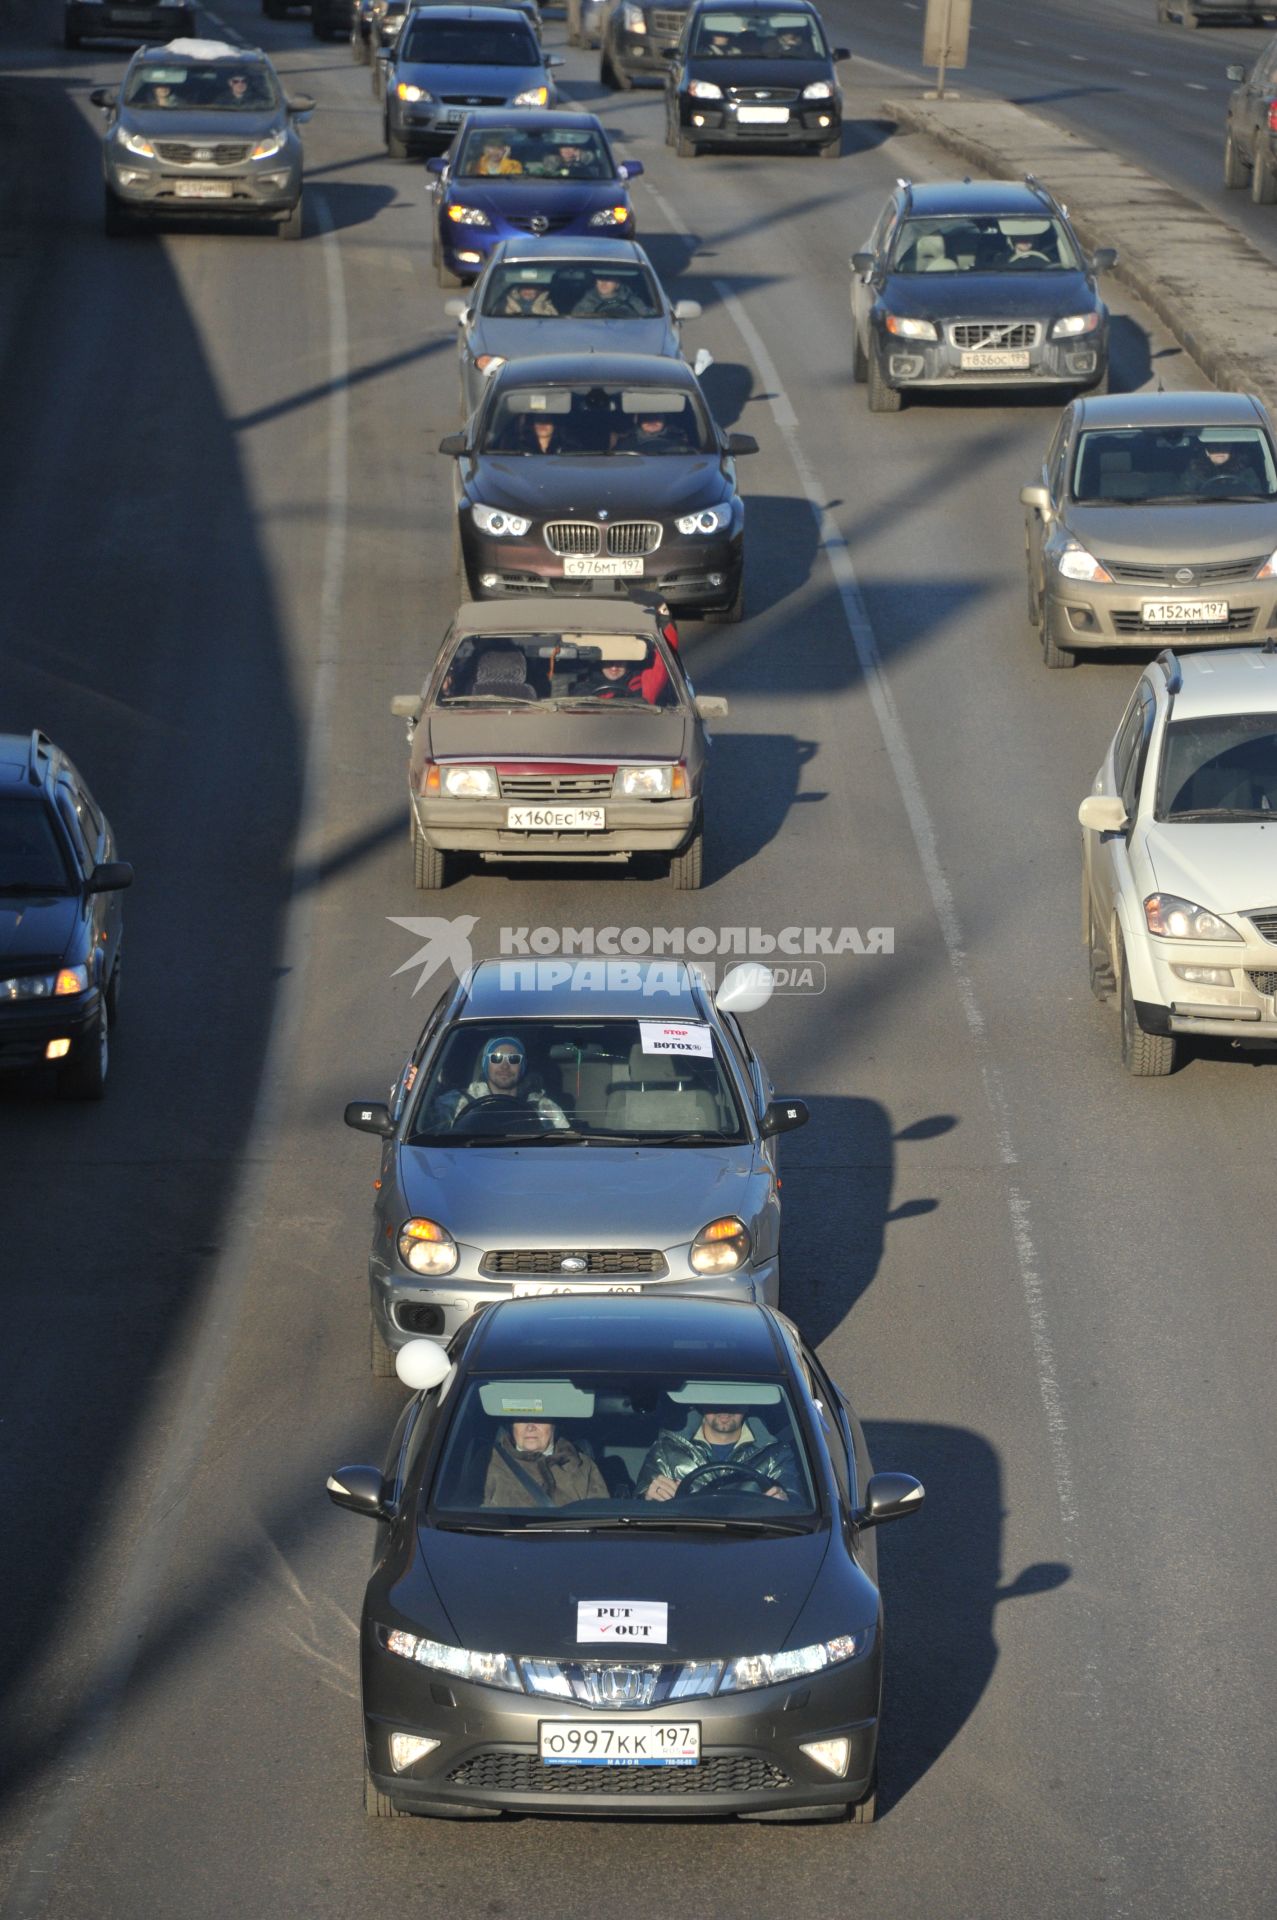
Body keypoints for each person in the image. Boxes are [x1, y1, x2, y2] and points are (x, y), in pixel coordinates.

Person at [637, 1403, 801, 1502]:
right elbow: (637, 1511)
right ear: (701, 1402)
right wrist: (647, 1497)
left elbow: (798, 1507)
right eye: (715, 1400)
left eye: (734, 1400)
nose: (725, 1409)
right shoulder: (666, 1450)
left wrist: (784, 1500)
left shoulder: (775, 1453)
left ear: (747, 1404)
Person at [428, 1033, 570, 1130]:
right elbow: (427, 1134)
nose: (505, 1065)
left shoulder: (543, 1108)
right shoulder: (453, 1103)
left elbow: (563, 1146)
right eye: (496, 1058)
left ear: (522, 1066)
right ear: (485, 1063)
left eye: (513, 1059)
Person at [484, 1419, 608, 1508]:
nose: (530, 1427)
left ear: (553, 1425)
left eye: (539, 1419)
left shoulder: (583, 1466)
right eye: (522, 1419)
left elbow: (598, 1520)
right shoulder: (489, 1462)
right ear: (512, 1426)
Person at [569, 643, 671, 704]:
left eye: (620, 661)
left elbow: (661, 661)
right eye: (609, 661)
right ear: (600, 663)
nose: (614, 667)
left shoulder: (641, 686)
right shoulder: (583, 690)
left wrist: (664, 620)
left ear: (627, 663)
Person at [1183, 438, 1267, 497]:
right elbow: (1185, 498)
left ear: (1231, 449)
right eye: (1215, 446)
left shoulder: (1246, 472)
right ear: (1206, 451)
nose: (1220, 450)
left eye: (1225, 445)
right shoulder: (1193, 472)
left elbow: (1257, 497)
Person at [572, 273, 645, 318]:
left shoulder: (632, 301)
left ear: (617, 284)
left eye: (609, 279)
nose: (604, 283)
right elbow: (575, 323)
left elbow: (649, 318)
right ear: (596, 282)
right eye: (600, 278)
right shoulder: (586, 303)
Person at [613, 409, 687, 452]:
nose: (652, 420)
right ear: (637, 419)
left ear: (665, 418)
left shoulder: (679, 443)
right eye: (647, 416)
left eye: (657, 416)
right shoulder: (624, 446)